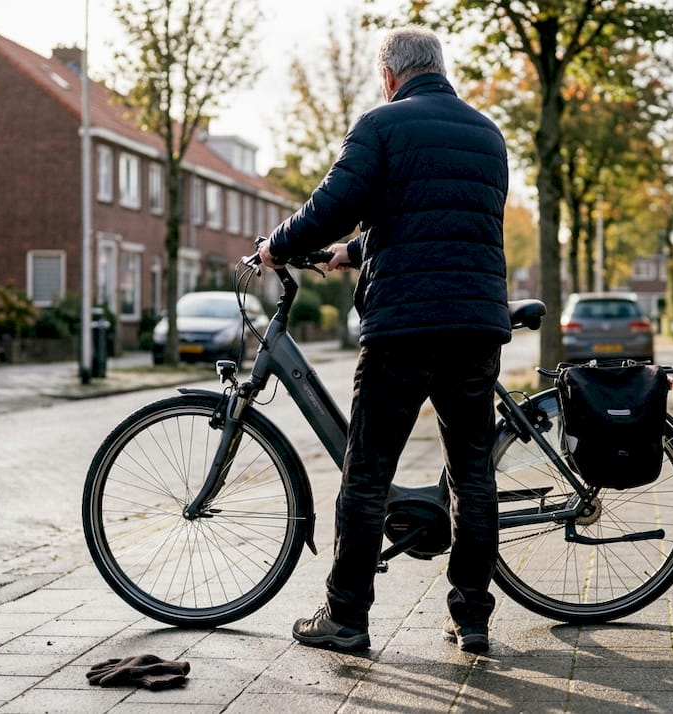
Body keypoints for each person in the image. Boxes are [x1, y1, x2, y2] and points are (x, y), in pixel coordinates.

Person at [257, 26, 510, 654]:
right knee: (473, 475)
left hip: (403, 326)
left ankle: (346, 619)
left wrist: (278, 245)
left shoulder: (382, 123)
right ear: (439, 69)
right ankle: (472, 619)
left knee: (366, 474)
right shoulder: (487, 132)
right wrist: (356, 252)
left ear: (389, 75)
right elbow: (444, 220)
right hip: (475, 324)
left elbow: (333, 202)